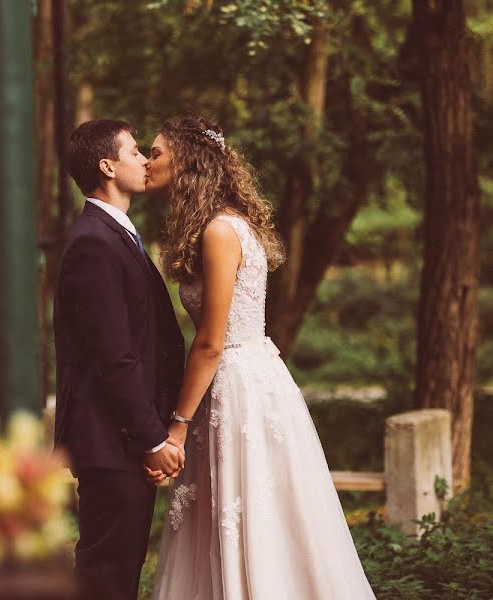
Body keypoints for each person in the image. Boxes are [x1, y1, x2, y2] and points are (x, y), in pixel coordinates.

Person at [145, 114, 377, 599]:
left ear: (186, 162)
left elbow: (210, 342)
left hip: (234, 383)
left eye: (157, 152)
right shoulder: (229, 223)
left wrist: (178, 424)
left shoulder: (219, 231)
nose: (149, 161)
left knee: (248, 511)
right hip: (246, 376)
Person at [53, 119, 187, 600]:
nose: (144, 161)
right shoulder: (94, 242)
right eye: (134, 152)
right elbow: (115, 357)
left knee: (118, 572)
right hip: (112, 440)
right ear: (107, 166)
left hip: (122, 438)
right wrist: (152, 439)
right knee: (107, 577)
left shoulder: (117, 234)